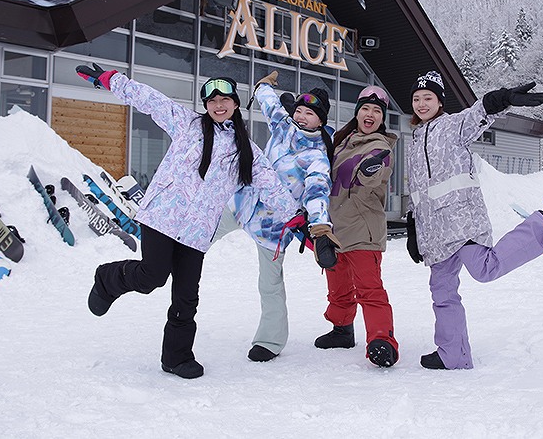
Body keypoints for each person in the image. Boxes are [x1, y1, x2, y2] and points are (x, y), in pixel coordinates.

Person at [75, 63, 298, 379]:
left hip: (197, 230)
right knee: (152, 276)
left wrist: (296, 216)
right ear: (206, 106)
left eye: (224, 100)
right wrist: (113, 80)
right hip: (163, 215)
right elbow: (151, 100)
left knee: (186, 296)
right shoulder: (188, 124)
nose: (218, 106)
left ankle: (176, 358)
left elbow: (270, 183)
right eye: (212, 101)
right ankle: (109, 279)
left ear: (235, 104)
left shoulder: (247, 150)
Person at [405, 71, 543, 371]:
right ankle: (451, 354)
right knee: (442, 290)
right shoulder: (414, 140)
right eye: (416, 98)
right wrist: (413, 229)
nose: (421, 103)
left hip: (461, 219)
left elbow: (478, 113)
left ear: (440, 101)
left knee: (485, 268)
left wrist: (502, 99)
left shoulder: (452, 126)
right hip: (434, 232)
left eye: (428, 97)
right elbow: (418, 189)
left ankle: (541, 229)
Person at [231, 70, 338, 363]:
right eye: (299, 110)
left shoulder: (316, 157)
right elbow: (268, 102)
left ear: (321, 121)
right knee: (195, 235)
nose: (301, 116)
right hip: (240, 203)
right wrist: (264, 85)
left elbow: (318, 191)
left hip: (272, 227)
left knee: (270, 284)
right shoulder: (283, 126)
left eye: (309, 113)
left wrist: (319, 227)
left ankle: (270, 340)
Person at [314, 85, 399, 368]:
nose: (370, 114)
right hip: (335, 228)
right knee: (337, 287)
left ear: (382, 118)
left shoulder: (380, 146)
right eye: (365, 108)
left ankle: (381, 341)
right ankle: (341, 330)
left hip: (363, 229)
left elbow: (375, 171)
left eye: (377, 111)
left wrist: (369, 170)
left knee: (369, 289)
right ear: (357, 112)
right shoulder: (342, 141)